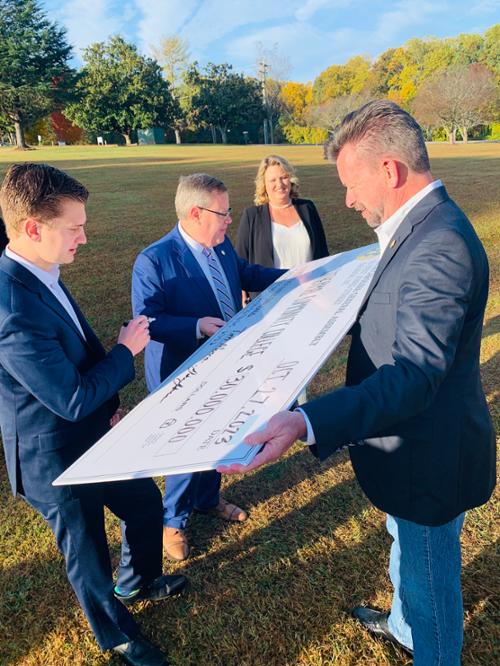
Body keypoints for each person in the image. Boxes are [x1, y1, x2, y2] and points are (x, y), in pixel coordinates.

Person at [219, 101, 496, 665]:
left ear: (390, 170)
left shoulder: (438, 244)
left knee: (432, 594)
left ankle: (427, 646)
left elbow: (413, 377)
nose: (347, 199)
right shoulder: (418, 226)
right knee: (409, 562)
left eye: (351, 182)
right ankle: (401, 623)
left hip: (427, 460)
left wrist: (304, 420)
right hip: (408, 451)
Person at [0, 163, 187, 666]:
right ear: (32, 228)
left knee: (145, 505)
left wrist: (109, 406)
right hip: (53, 458)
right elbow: (71, 398)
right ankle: (118, 637)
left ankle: (140, 582)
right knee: (86, 553)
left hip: (92, 432)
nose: (85, 236)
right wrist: (126, 352)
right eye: (74, 227)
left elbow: (77, 367)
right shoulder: (11, 305)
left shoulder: (40, 270)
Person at [132, 173, 285, 562]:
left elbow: (245, 273)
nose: (230, 219)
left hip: (228, 364)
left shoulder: (219, 245)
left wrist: (291, 277)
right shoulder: (155, 260)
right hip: (181, 373)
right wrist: (195, 326)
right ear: (196, 213)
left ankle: (207, 499)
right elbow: (146, 321)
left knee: (220, 434)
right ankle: (173, 522)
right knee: (185, 447)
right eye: (224, 212)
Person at [236, 154, 329, 302]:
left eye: (283, 177)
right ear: (264, 185)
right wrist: (242, 293)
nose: (279, 184)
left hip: (310, 293)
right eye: (272, 180)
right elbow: (240, 261)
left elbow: (323, 252)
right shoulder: (252, 216)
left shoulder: (307, 208)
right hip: (270, 298)